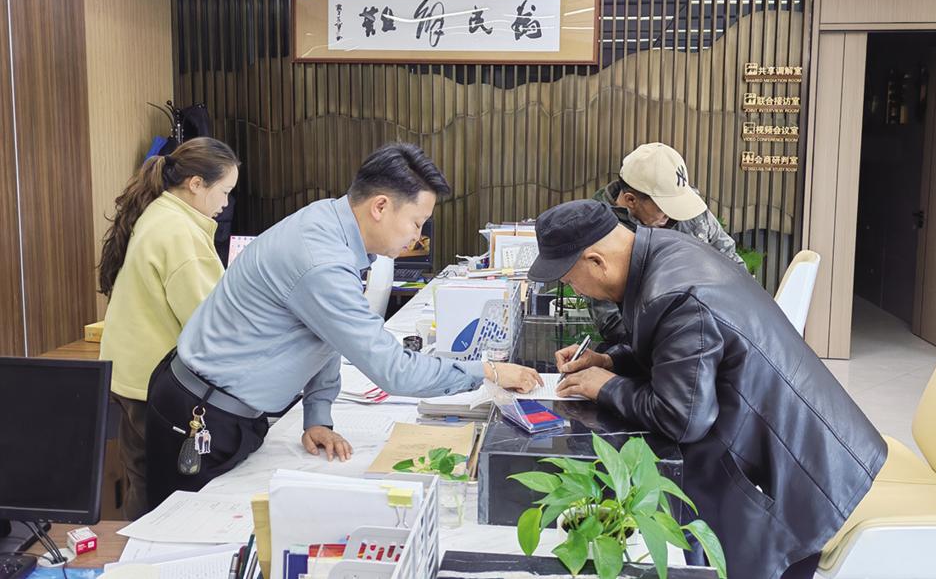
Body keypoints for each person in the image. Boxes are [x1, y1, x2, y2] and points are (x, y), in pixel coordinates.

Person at [145, 143, 542, 507]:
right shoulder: (322, 259)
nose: (417, 236)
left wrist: (317, 414)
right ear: (380, 206)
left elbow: (323, 331)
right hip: (201, 416)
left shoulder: (330, 223)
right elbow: (395, 372)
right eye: (416, 222)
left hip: (227, 409)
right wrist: (487, 372)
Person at [528, 199, 886, 579]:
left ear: (597, 261)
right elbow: (677, 354)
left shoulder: (674, 295)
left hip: (803, 476)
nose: (575, 289)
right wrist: (609, 361)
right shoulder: (665, 251)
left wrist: (608, 387)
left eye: (571, 280)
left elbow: (683, 418)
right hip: (798, 440)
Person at [98, 137, 240, 518]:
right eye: (224, 191)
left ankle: (132, 550)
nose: (225, 203)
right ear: (196, 184)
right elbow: (209, 323)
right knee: (164, 491)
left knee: (142, 480)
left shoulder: (159, 213)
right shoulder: (181, 234)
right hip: (154, 383)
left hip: (129, 376)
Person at [590, 143, 745, 346]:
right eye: (665, 207)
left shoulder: (692, 213)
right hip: (646, 350)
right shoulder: (601, 231)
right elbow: (610, 320)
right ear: (631, 200)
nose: (673, 215)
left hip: (712, 336)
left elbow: (734, 270)